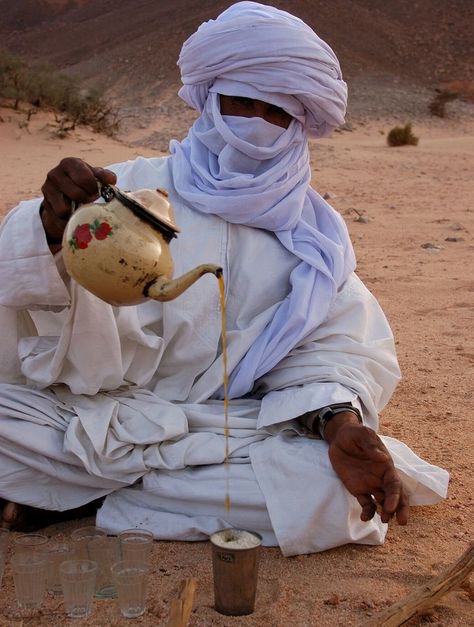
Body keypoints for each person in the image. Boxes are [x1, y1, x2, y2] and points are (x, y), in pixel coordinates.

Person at [0, 1, 448, 556]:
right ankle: (122, 491)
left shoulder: (311, 237)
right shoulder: (128, 189)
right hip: (94, 414)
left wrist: (338, 423)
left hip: (228, 427)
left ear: (301, 122)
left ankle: (79, 495)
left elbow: (337, 347)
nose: (257, 123)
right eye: (241, 102)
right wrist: (49, 226)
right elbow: (20, 290)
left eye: (277, 111)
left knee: (330, 494)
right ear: (210, 101)